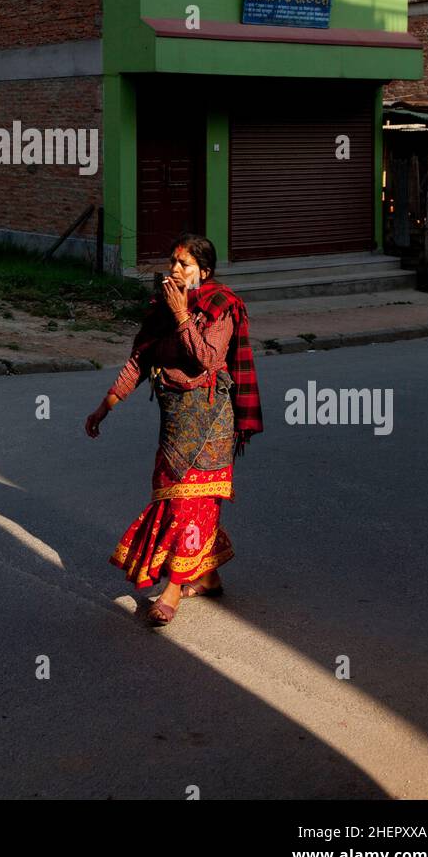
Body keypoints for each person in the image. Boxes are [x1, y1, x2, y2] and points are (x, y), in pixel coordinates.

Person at [84, 233, 263, 627]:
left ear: (205, 272)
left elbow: (207, 360)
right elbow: (138, 360)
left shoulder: (221, 307)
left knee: (190, 504)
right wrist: (105, 407)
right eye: (173, 262)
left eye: (185, 264)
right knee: (175, 501)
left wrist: (183, 314)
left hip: (212, 421)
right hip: (174, 423)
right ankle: (209, 576)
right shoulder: (161, 310)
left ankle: (172, 589)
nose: (176, 270)